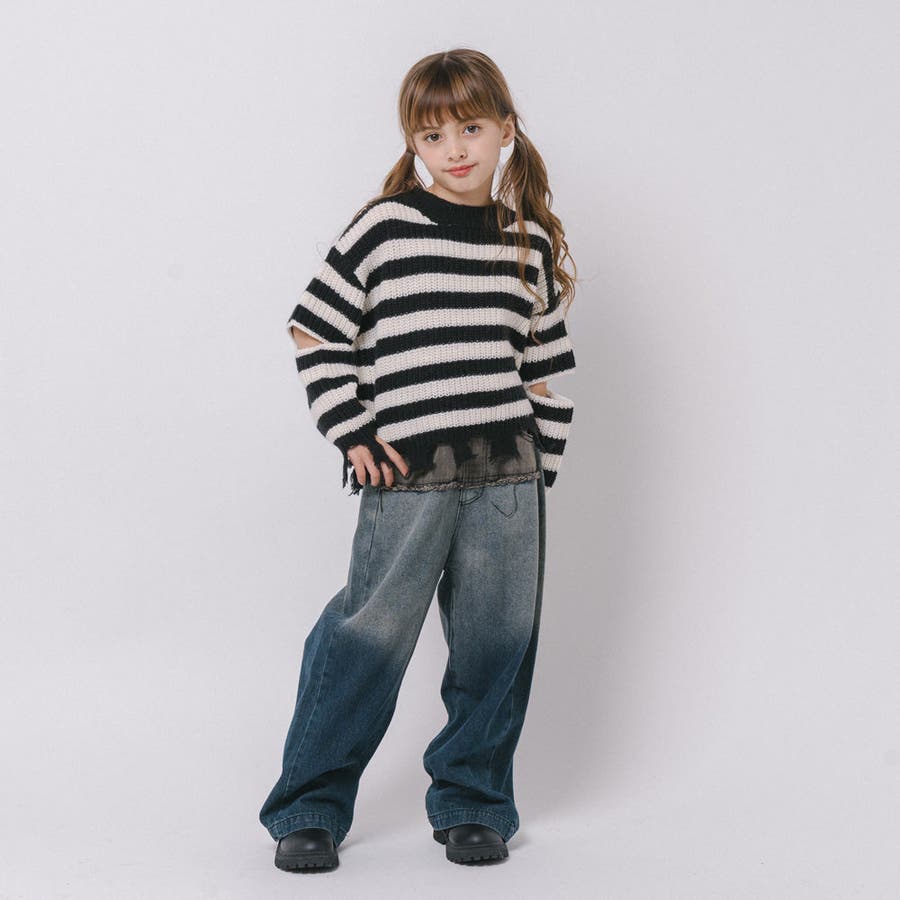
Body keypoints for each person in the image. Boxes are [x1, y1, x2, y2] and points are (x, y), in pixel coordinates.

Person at [259, 47, 577, 871]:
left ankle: (474, 802)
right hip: (406, 474)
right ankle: (309, 805)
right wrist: (351, 429)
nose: (455, 150)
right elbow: (314, 329)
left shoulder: (526, 242)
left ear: (505, 129)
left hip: (508, 478)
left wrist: (540, 463)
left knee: (496, 646)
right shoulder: (384, 228)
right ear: (414, 144)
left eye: (470, 129)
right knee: (368, 635)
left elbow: (544, 367)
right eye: (433, 136)